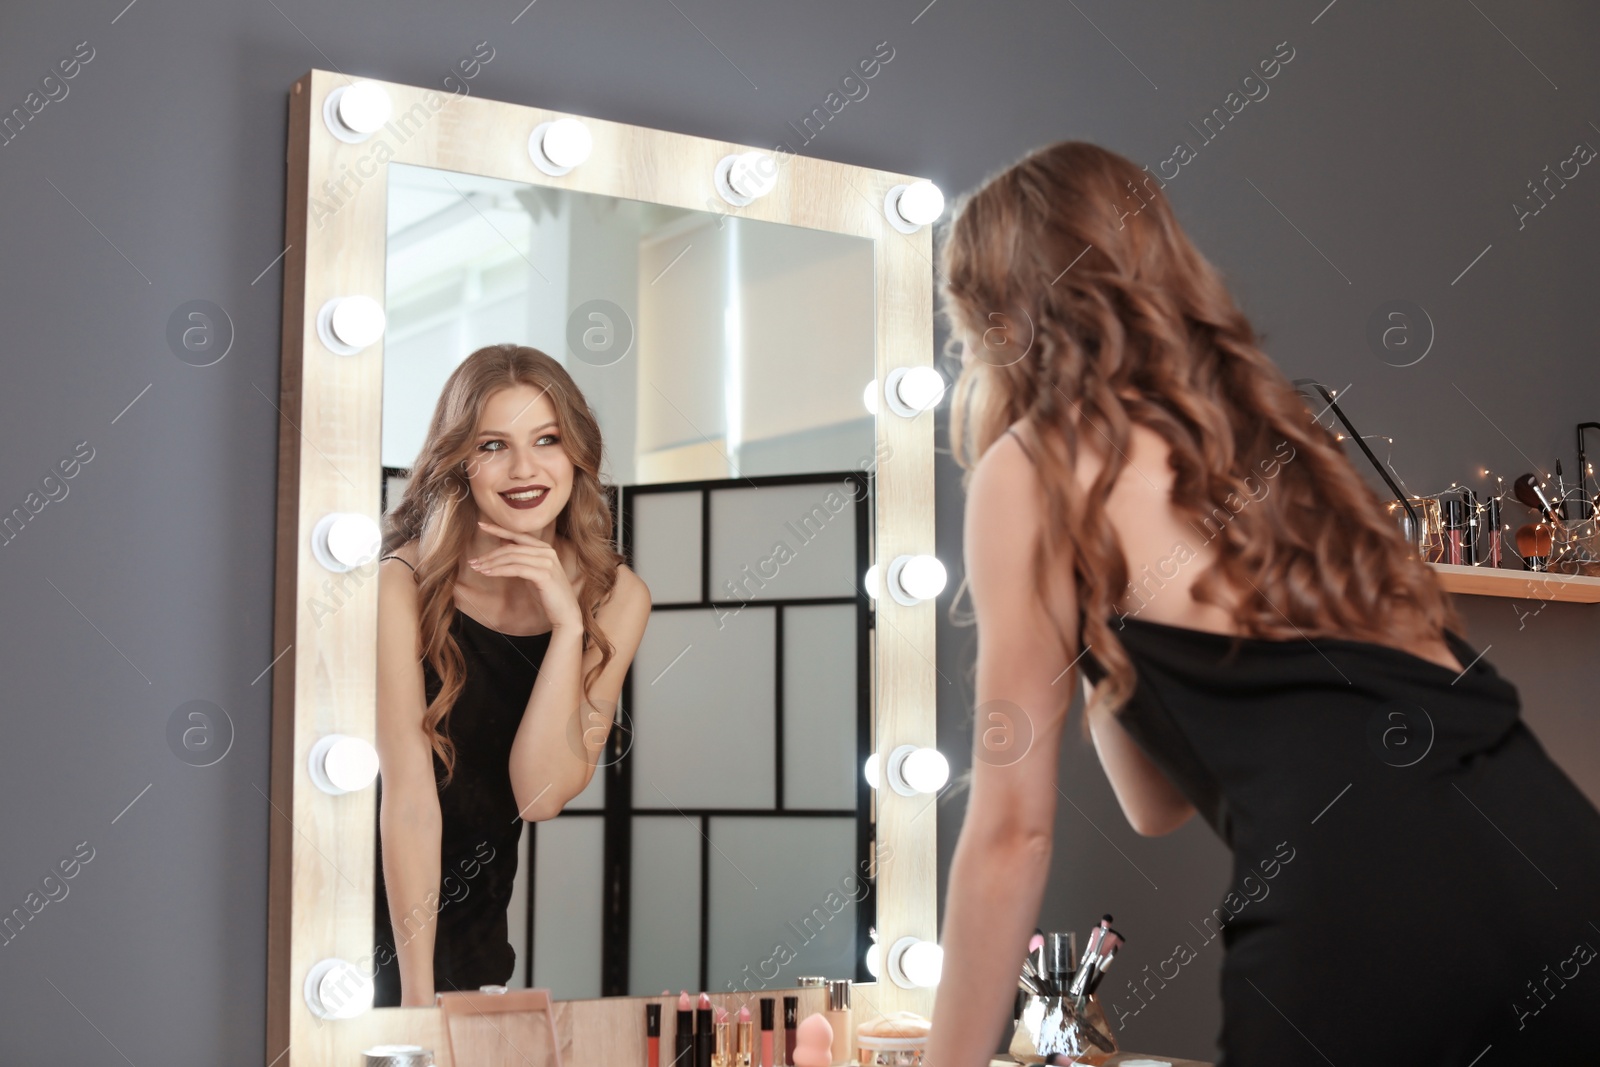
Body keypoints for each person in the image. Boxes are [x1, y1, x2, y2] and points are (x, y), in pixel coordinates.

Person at [926, 142, 1600, 1064]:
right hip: (1556, 860)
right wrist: (1095, 620)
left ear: (998, 319)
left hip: (1360, 903)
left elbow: (1011, 834)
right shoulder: (1275, 439)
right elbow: (1151, 798)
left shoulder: (1037, 463)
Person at [371, 343, 651, 1007]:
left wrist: (568, 628)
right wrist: (415, 1001)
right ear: (460, 460)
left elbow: (539, 795)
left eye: (546, 439)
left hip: (479, 929)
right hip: (371, 921)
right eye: (494, 444)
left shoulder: (619, 597)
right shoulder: (401, 584)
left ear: (576, 451)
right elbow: (409, 798)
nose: (525, 468)